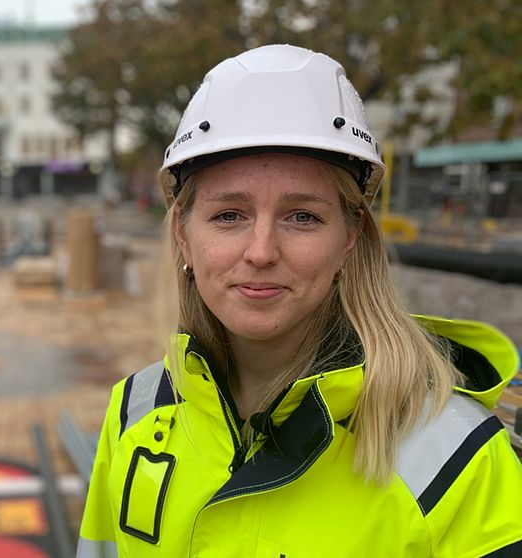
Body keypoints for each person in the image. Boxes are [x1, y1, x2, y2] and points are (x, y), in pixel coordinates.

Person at [77, 44, 522, 557]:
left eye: (302, 217)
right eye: (229, 215)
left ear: (349, 237)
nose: (262, 252)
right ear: (183, 234)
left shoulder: (455, 460)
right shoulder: (134, 414)